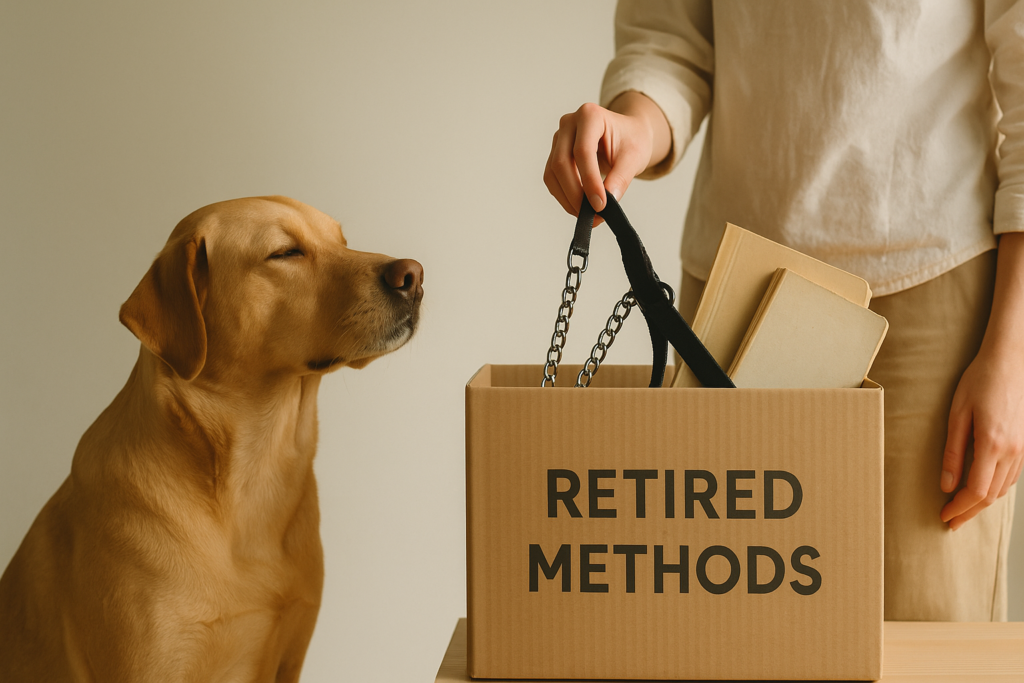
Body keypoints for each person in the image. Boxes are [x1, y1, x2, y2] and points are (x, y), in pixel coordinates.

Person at [544, 0, 1023, 621]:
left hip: (931, 295)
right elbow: (670, 37)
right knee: (730, 633)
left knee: (923, 634)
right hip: (737, 291)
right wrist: (633, 122)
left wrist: (1012, 354)